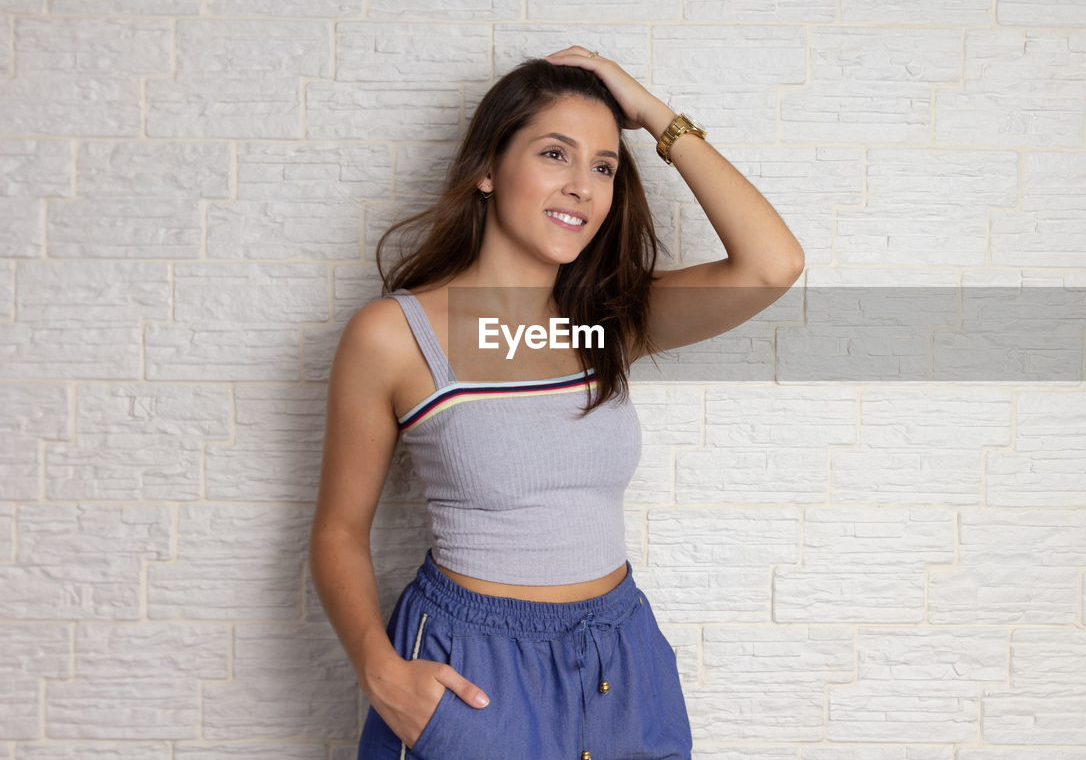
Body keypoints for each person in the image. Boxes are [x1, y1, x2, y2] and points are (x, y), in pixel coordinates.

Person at [309, 45, 804, 759]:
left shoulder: (604, 321)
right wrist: (379, 670)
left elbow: (772, 262)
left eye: (603, 166)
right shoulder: (395, 336)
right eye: (554, 154)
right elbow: (337, 532)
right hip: (474, 672)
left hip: (622, 662)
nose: (583, 186)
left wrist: (654, 115)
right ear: (486, 168)